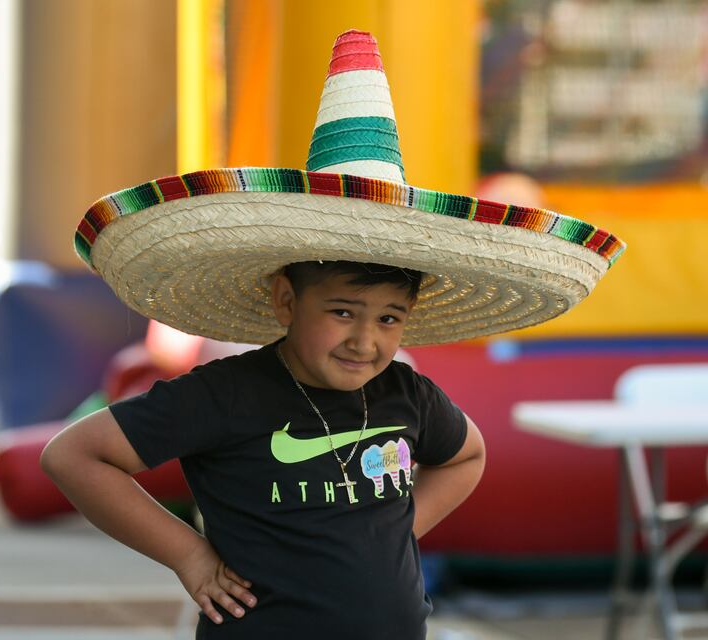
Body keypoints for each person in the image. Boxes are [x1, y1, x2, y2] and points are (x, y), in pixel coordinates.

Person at [43, 29, 623, 640]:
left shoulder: (408, 394)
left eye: (389, 319)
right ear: (287, 300)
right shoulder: (226, 393)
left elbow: (467, 454)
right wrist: (189, 555)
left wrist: (398, 530)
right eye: (343, 312)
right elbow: (74, 456)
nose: (365, 340)